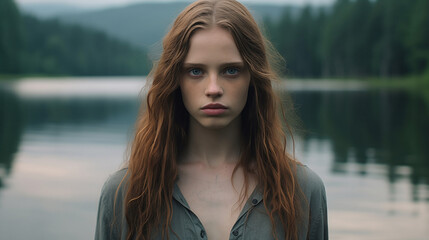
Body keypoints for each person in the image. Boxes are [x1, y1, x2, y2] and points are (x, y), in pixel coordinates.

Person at [95, 0, 328, 239]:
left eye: (231, 70)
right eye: (196, 71)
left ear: (253, 77)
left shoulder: (302, 190)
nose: (214, 88)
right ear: (175, 79)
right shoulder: (125, 194)